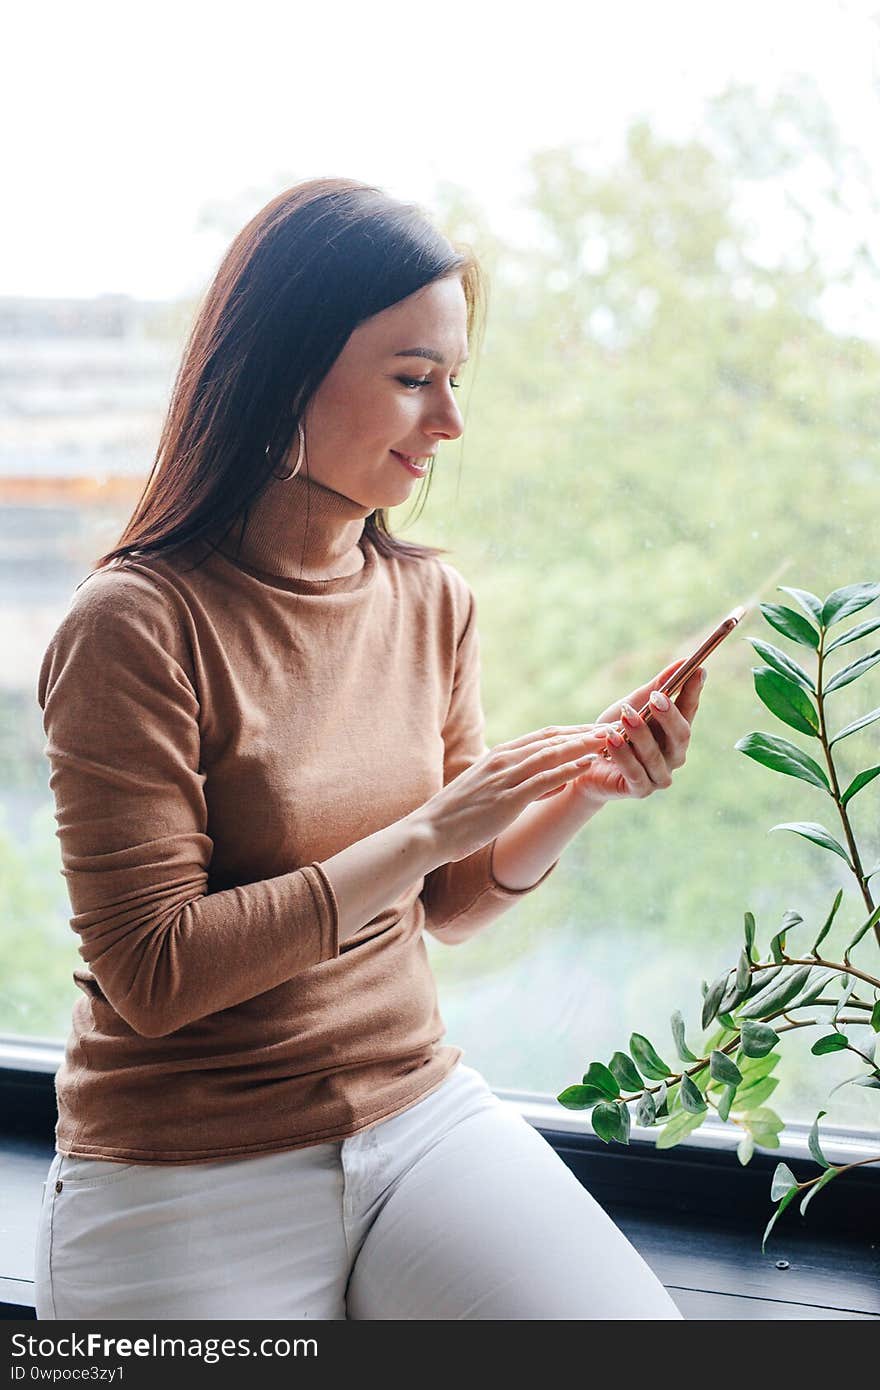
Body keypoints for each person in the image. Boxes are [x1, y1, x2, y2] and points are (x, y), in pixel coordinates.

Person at [33, 176, 705, 1321]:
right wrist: (433, 825)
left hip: (415, 1117)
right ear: (283, 373)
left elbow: (444, 900)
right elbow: (154, 975)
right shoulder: (135, 626)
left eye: (454, 382)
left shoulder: (431, 600)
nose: (449, 422)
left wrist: (586, 791)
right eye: (410, 380)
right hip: (182, 1165)